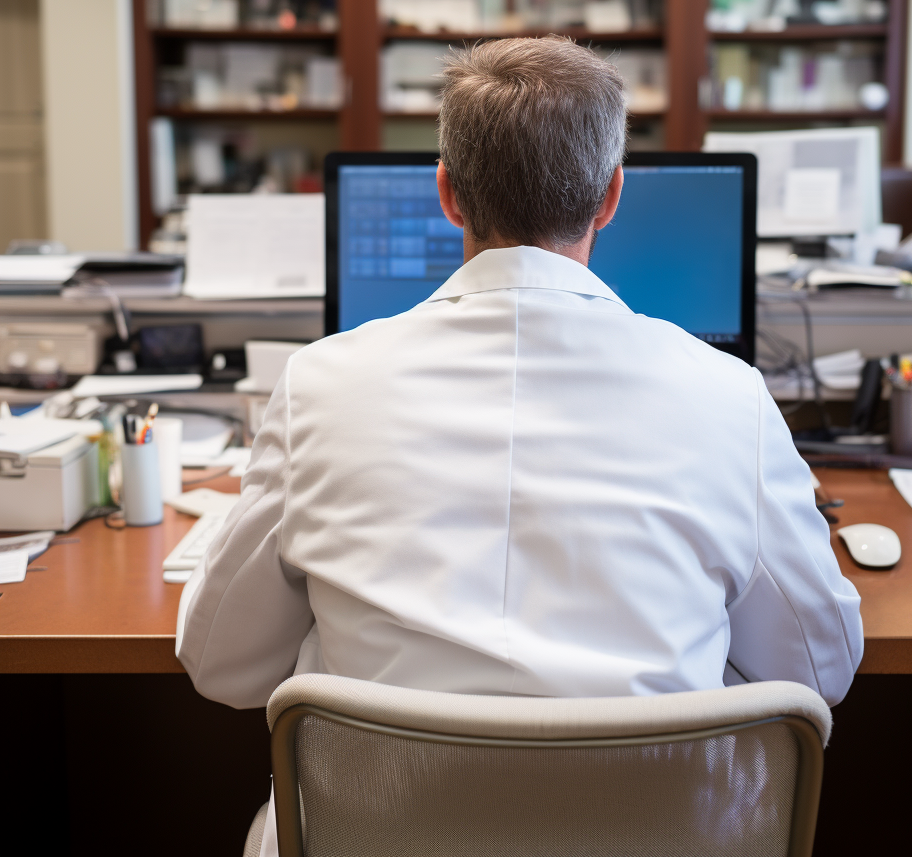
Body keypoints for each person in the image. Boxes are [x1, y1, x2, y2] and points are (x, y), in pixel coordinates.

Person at [177, 35, 861, 713]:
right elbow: (816, 666)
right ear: (611, 196)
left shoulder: (318, 389)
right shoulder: (730, 399)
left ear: (447, 194)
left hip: (380, 823)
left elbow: (220, 665)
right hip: (649, 823)